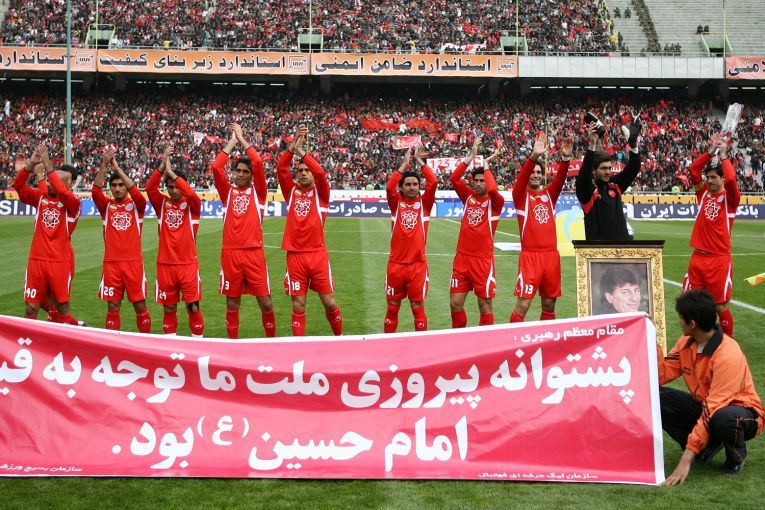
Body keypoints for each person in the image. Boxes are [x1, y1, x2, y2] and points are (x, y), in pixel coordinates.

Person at [659, 290, 763, 485]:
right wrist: (651, 340)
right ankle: (706, 448)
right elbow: (661, 375)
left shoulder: (728, 355)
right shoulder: (685, 343)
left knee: (724, 418)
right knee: (654, 398)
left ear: (692, 324)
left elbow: (713, 407)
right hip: (708, 406)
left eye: (680, 317)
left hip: (741, 412)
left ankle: (736, 456)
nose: (679, 321)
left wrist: (686, 459)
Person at [277, 124, 343, 336]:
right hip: (295, 255)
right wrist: (292, 146)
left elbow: (321, 173)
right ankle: (298, 347)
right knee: (298, 304)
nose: (303, 173)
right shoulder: (291, 192)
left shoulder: (321, 194)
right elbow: (281, 168)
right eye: (300, 171)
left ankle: (339, 339)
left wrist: (302, 153)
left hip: (317, 255)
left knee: (329, 302)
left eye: (307, 171)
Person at [211, 123, 275, 339]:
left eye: (245, 172)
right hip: (231, 254)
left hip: (254, 254)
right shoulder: (227, 192)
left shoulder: (259, 193)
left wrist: (242, 139)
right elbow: (216, 168)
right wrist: (231, 142)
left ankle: (271, 344)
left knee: (266, 303)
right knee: (232, 303)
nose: (240, 174)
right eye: (237, 171)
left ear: (251, 175)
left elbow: (258, 162)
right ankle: (233, 345)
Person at [13, 145, 83, 325]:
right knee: (31, 308)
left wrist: (47, 165)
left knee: (61, 308)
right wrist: (30, 165)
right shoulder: (40, 197)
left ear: (68, 185)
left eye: (54, 181)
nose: (49, 183)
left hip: (59, 261)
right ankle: (29, 341)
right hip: (36, 260)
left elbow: (62, 192)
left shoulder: (73, 204)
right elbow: (18, 186)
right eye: (48, 180)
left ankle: (69, 334)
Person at [509, 132, 572, 323]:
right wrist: (534, 156)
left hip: (551, 257)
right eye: (533, 172)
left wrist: (565, 159)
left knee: (549, 304)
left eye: (539, 172)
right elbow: (521, 180)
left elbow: (560, 180)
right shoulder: (520, 196)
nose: (536, 175)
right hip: (531, 257)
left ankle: (546, 338)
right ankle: (513, 338)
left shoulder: (549, 195)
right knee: (523, 304)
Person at [682, 133, 740, 337]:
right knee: (691, 304)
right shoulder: (703, 194)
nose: (710, 181)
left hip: (718, 260)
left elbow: (732, 179)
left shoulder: (730, 199)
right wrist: (710, 151)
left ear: (722, 178)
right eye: (708, 178)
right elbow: (693, 170)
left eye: (714, 177)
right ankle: (696, 341)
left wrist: (723, 156)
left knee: (719, 306)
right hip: (698, 257)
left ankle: (727, 345)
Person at [146, 146, 204, 337]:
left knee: (193, 307)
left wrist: (172, 173)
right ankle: (170, 345)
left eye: (178, 186)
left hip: (187, 265)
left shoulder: (192, 205)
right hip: (165, 265)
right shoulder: (162, 204)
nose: (174, 190)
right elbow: (150, 188)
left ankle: (198, 344)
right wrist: (162, 167)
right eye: (170, 187)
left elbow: (192, 195)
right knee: (169, 308)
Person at [92, 148, 152, 333]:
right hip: (111, 264)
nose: (117, 188)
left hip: (133, 263)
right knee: (113, 306)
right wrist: (104, 165)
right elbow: (96, 191)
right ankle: (112, 344)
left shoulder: (137, 206)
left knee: (139, 305)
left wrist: (117, 169)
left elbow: (137, 193)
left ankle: (145, 343)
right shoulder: (106, 207)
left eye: (121, 185)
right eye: (114, 185)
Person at [448, 138, 504, 327]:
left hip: (482, 261)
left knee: (484, 305)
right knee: (455, 304)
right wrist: (471, 157)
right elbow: (454, 179)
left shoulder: (495, 203)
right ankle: (458, 339)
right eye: (476, 181)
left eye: (482, 180)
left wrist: (486, 164)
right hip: (462, 259)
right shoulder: (468, 197)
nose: (479, 184)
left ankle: (484, 341)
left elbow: (493, 190)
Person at [384, 144, 437, 333]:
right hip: (396, 265)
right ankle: (388, 344)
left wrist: (420, 162)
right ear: (401, 187)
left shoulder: (425, 204)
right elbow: (389, 187)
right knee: (392, 307)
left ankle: (420, 347)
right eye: (408, 184)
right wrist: (404, 164)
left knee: (417, 307)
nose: (412, 187)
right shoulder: (395, 203)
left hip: (417, 266)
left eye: (415, 184)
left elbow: (433, 182)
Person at [576, 114, 642, 241]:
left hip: (622, 250)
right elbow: (583, 176)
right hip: (599, 252)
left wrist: (633, 146)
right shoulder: (588, 192)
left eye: (609, 168)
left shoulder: (615, 185)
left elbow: (633, 168)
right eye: (603, 168)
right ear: (593, 171)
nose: (608, 172)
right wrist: (592, 144)